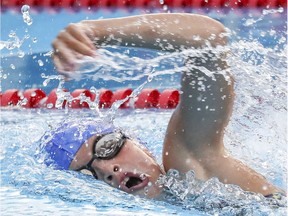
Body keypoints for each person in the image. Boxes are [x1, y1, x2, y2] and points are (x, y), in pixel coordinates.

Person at [44, 13, 285, 199]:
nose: (109, 169)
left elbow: (208, 40)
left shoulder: (189, 169)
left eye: (107, 147)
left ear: (136, 142)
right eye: (88, 175)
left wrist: (93, 32)